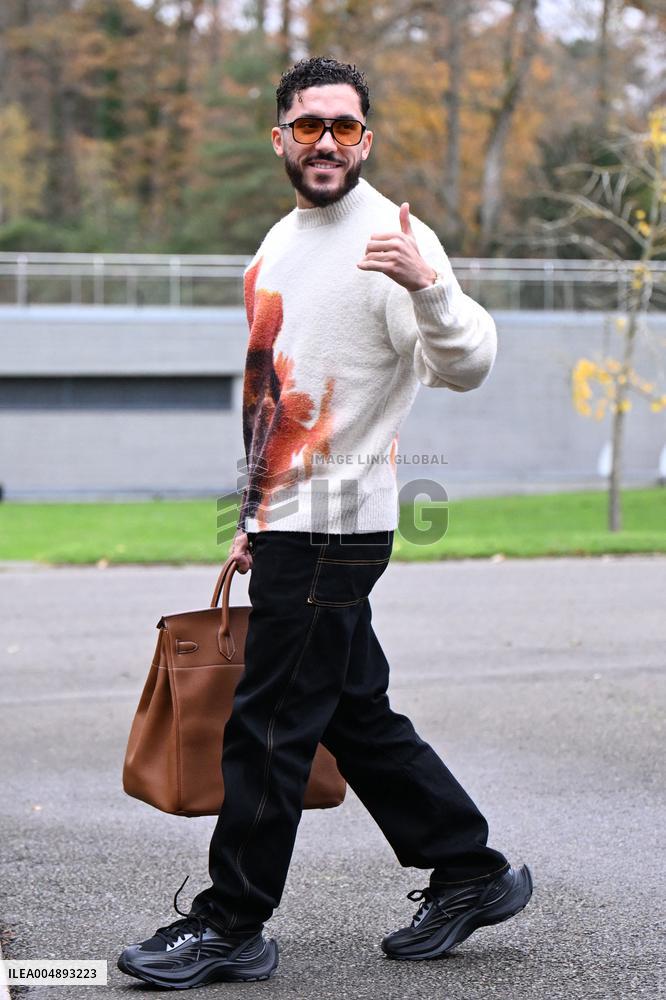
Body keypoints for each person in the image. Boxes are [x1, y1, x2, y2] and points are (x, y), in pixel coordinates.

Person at [118, 56, 532, 990]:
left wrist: (431, 288)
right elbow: (271, 398)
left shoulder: (393, 239)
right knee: (353, 709)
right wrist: (253, 516)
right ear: (281, 138)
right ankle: (468, 868)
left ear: (365, 139)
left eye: (344, 128)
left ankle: (231, 923)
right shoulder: (278, 245)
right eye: (309, 126)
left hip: (340, 525)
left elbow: (469, 363)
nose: (327, 143)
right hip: (290, 520)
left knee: (268, 725)